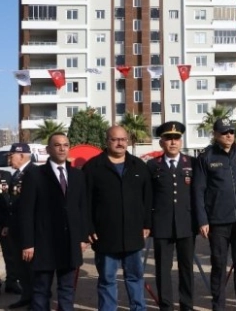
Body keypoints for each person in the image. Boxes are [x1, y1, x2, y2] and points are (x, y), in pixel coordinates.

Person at [83, 126, 152, 310]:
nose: (120, 143)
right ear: (107, 141)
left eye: (123, 139)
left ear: (127, 141)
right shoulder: (92, 167)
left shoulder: (139, 166)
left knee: (135, 278)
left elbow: (147, 198)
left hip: (133, 234)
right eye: (115, 139)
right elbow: (85, 202)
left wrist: (146, 223)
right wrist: (88, 228)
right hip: (105, 235)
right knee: (107, 280)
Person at [20, 133, 89, 310]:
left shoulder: (77, 176)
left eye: (65, 145)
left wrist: (82, 237)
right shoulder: (35, 175)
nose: (62, 148)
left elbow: (82, 209)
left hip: (69, 244)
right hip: (44, 244)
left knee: (67, 289)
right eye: (57, 145)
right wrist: (28, 243)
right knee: (41, 290)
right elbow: (26, 211)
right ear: (49, 149)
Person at [194, 118, 236, 311]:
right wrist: (202, 220)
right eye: (224, 132)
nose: (229, 135)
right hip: (217, 222)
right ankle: (218, 306)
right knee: (219, 265)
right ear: (215, 134)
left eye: (231, 132)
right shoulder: (206, 157)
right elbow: (198, 190)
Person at [147, 122, 197, 311]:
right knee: (162, 269)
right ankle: (166, 306)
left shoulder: (192, 163)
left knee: (186, 269)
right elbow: (148, 197)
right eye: (168, 139)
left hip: (186, 224)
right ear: (161, 143)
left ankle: (187, 305)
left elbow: (197, 194)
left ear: (181, 141)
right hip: (162, 225)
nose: (173, 142)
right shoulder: (153, 165)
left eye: (176, 138)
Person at [1, 143, 39, 309]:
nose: (9, 158)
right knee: (21, 267)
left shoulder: (33, 173)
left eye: (11, 155)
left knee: (31, 269)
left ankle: (36, 301)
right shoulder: (17, 174)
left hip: (29, 230)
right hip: (16, 228)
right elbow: (13, 204)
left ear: (22, 155)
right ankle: (26, 296)